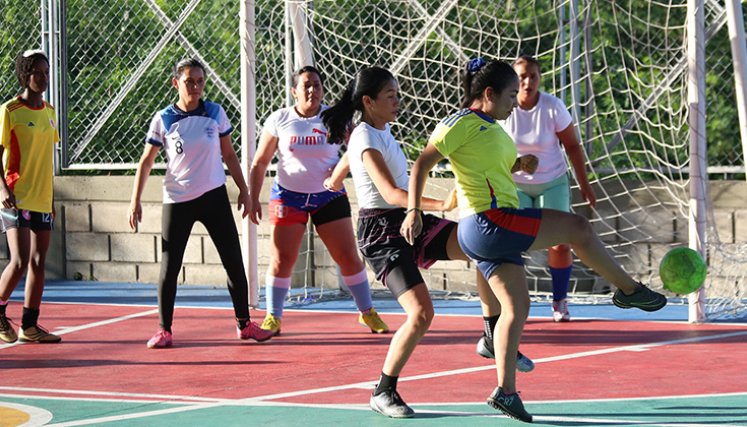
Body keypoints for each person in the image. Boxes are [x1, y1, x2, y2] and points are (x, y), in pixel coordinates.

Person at [403, 57, 667, 422]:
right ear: (489, 93)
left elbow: (484, 166)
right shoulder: (461, 122)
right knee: (578, 228)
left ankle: (505, 393)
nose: (516, 102)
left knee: (516, 309)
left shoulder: (489, 126)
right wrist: (413, 210)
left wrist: (517, 164)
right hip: (489, 222)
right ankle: (628, 289)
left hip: (490, 231)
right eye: (511, 95)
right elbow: (422, 163)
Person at [321, 66, 532, 419]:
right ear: (369, 101)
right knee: (421, 314)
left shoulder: (375, 130)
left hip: (406, 220)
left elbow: (349, 157)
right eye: (392, 97)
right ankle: (383, 389)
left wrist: (334, 178)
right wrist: (435, 205)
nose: (399, 102)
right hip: (382, 233)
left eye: (398, 95)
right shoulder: (365, 139)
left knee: (480, 246)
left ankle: (491, 336)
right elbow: (389, 192)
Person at [129, 58, 272, 349]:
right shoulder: (164, 118)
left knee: (233, 259)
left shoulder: (215, 113)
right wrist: (135, 201)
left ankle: (244, 324)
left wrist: (245, 191)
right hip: (178, 199)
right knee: (170, 266)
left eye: (200, 81)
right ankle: (164, 329)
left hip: (214, 196)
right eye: (189, 81)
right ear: (176, 83)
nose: (195, 86)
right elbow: (146, 162)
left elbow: (230, 156)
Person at [248, 66, 388, 336]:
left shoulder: (334, 118)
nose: (312, 90)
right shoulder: (280, 119)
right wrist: (253, 198)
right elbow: (260, 162)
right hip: (288, 197)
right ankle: (273, 317)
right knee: (281, 259)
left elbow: (357, 148)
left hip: (328, 196)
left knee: (347, 256)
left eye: (317, 85)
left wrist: (340, 174)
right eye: (306, 85)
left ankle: (367, 312)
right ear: (294, 91)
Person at [502, 54, 597, 322]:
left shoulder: (553, 107)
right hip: (516, 184)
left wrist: (585, 186)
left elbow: (573, 146)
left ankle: (560, 301)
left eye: (533, 75)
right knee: (510, 243)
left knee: (560, 244)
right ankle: (512, 303)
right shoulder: (504, 111)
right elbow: (494, 156)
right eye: (522, 76)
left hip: (552, 182)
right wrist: (518, 164)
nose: (528, 81)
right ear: (513, 80)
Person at [0, 49, 61, 344]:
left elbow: (46, 159)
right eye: (38, 72)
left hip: (42, 198)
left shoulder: (50, 113)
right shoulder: (10, 110)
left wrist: (51, 199)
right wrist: (2, 190)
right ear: (25, 75)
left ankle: (30, 325)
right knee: (20, 259)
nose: (44, 77)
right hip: (16, 197)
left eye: (47, 72)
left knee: (39, 260)